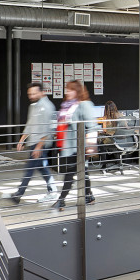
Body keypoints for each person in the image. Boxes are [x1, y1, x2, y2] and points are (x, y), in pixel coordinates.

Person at [9, 82, 57, 204]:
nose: (31, 96)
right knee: (43, 168)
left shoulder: (48, 107)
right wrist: (22, 139)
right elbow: (30, 125)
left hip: (41, 144)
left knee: (29, 168)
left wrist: (39, 147)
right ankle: (53, 191)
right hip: (33, 143)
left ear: (42, 92)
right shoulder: (33, 106)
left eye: (34, 93)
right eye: (30, 94)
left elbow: (49, 129)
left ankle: (18, 194)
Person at [53, 80, 98, 209]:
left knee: (70, 172)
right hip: (70, 145)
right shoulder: (68, 105)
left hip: (80, 146)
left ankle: (61, 200)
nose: (67, 92)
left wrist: (90, 145)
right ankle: (89, 196)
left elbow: (92, 126)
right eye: (67, 89)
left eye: (71, 89)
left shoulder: (85, 105)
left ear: (78, 91)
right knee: (82, 171)